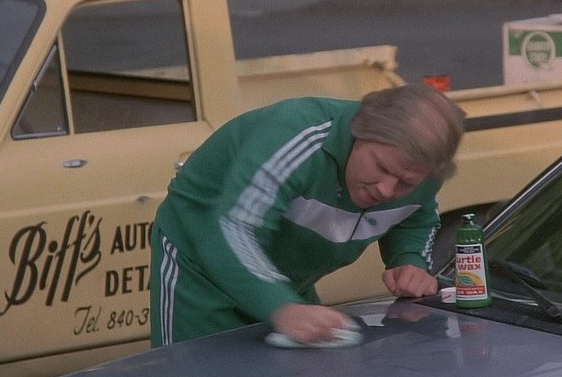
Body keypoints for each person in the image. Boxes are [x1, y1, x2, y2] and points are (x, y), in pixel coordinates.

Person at [150, 84, 466, 347]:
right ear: (360, 130)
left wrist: (410, 260)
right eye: (381, 167)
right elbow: (232, 229)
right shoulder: (298, 136)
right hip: (200, 271)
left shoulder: (422, 175)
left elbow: (417, 214)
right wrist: (281, 306)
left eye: (406, 183)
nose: (386, 189)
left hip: (285, 282)